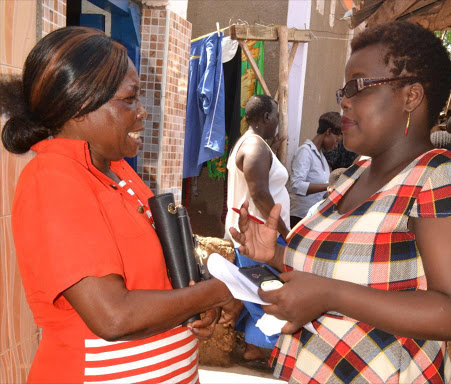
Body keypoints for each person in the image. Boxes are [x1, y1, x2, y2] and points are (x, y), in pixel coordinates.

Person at [230, 21, 451, 383]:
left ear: (410, 96)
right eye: (344, 88)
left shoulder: (442, 177)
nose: (345, 100)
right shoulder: (354, 174)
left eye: (359, 85)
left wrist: (331, 295)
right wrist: (274, 255)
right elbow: (341, 265)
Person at [0, 27, 237, 383]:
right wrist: (219, 290)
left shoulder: (118, 173)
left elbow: (156, 281)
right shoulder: (53, 179)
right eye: (130, 99)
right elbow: (113, 316)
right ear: (80, 104)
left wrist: (194, 303)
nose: (142, 113)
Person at [224, 94, 290, 363]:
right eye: (276, 117)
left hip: (254, 233)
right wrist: (287, 232)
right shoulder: (254, 147)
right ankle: (275, 351)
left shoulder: (252, 144)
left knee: (258, 294)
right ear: (266, 118)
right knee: (270, 298)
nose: (278, 122)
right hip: (260, 237)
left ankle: (254, 347)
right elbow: (260, 193)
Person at [289, 112, 342, 227]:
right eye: (337, 140)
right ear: (328, 132)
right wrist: (328, 186)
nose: (336, 145)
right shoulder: (305, 152)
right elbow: (296, 185)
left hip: (312, 217)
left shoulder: (321, 157)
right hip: (299, 218)